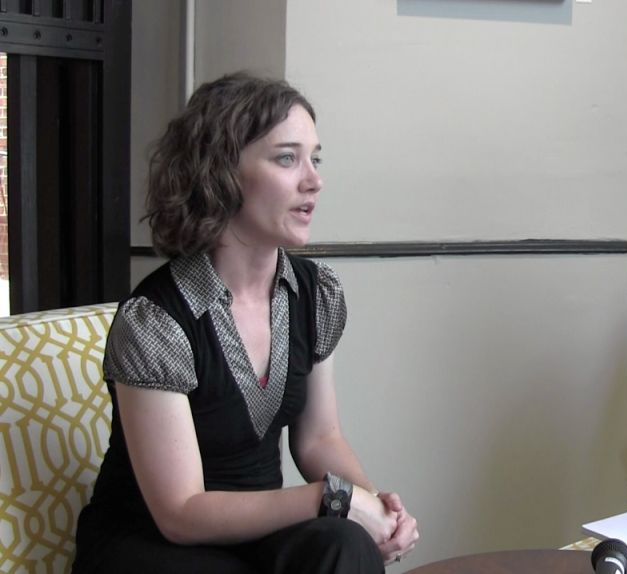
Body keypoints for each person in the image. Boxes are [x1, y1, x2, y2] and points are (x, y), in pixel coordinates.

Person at [72, 73, 418, 574]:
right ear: (220, 174)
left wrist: (373, 509)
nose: (313, 180)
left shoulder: (315, 294)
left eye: (315, 158)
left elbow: (318, 440)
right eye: (286, 158)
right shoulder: (155, 320)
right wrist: (332, 498)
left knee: (346, 544)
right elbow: (180, 514)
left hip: (255, 531)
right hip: (151, 547)